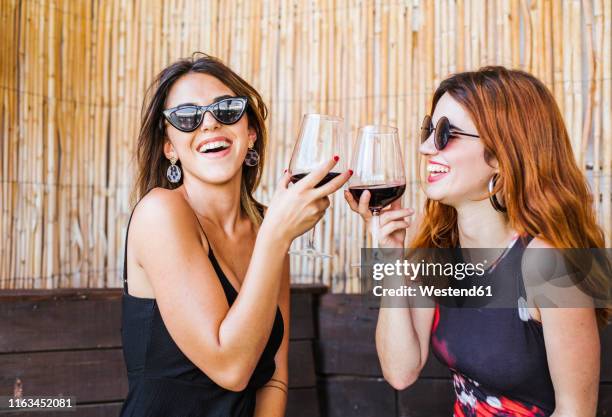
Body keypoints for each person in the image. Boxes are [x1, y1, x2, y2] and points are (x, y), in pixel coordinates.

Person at [345, 66, 609, 417]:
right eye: (428, 130)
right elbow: (400, 372)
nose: (425, 147)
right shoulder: (438, 250)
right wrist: (388, 258)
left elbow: (576, 411)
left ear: (501, 155)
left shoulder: (549, 263)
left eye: (445, 134)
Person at [120, 53, 351, 417]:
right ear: (169, 148)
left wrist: (273, 232)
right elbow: (231, 368)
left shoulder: (266, 224)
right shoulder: (160, 213)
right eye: (186, 117)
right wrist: (276, 237)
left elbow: (274, 376)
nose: (209, 124)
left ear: (250, 133)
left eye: (226, 109)